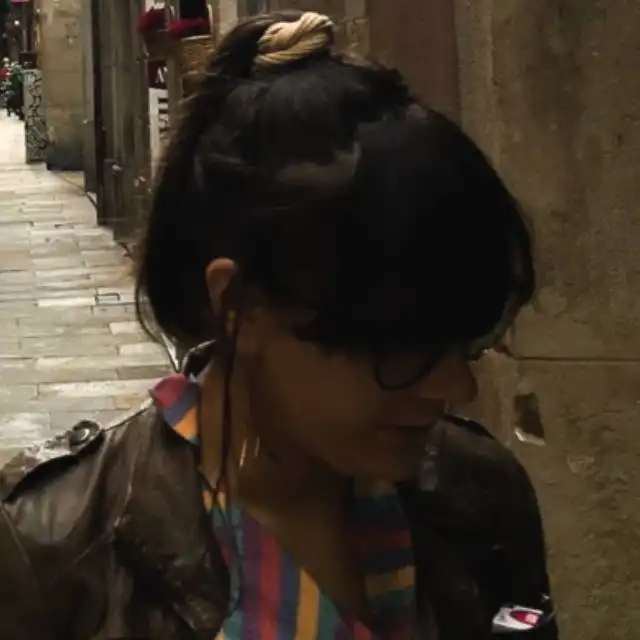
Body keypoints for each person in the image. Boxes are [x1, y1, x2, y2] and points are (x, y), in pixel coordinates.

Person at [0, 10, 558, 639]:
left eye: (466, 342)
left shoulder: (479, 492)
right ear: (242, 305)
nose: (455, 387)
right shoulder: (54, 551)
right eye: (398, 348)